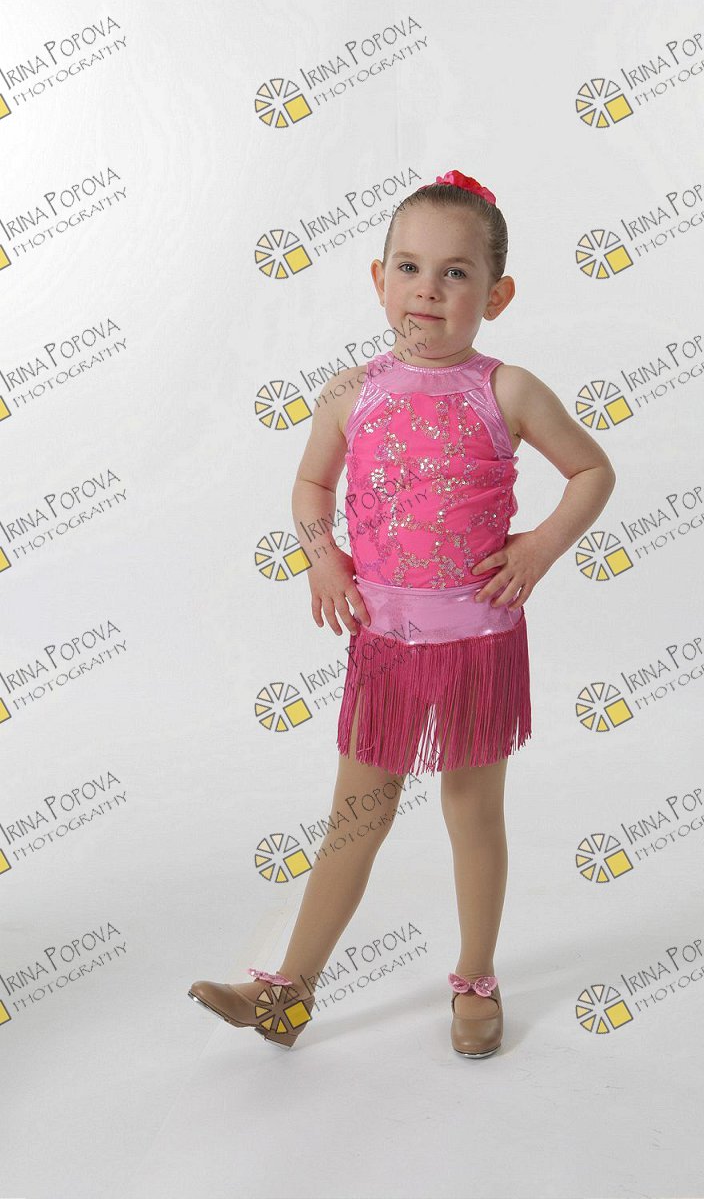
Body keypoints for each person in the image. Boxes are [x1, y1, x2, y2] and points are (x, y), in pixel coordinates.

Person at [188, 168, 616, 1056]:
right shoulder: (352, 392)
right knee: (356, 818)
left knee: (472, 813)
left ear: (495, 295)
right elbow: (311, 484)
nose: (429, 289)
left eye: (456, 273)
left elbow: (592, 470)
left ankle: (476, 979)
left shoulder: (508, 390)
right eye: (410, 267)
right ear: (379, 280)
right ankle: (287, 993)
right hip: (384, 644)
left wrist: (538, 549)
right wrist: (324, 556)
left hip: (478, 644)